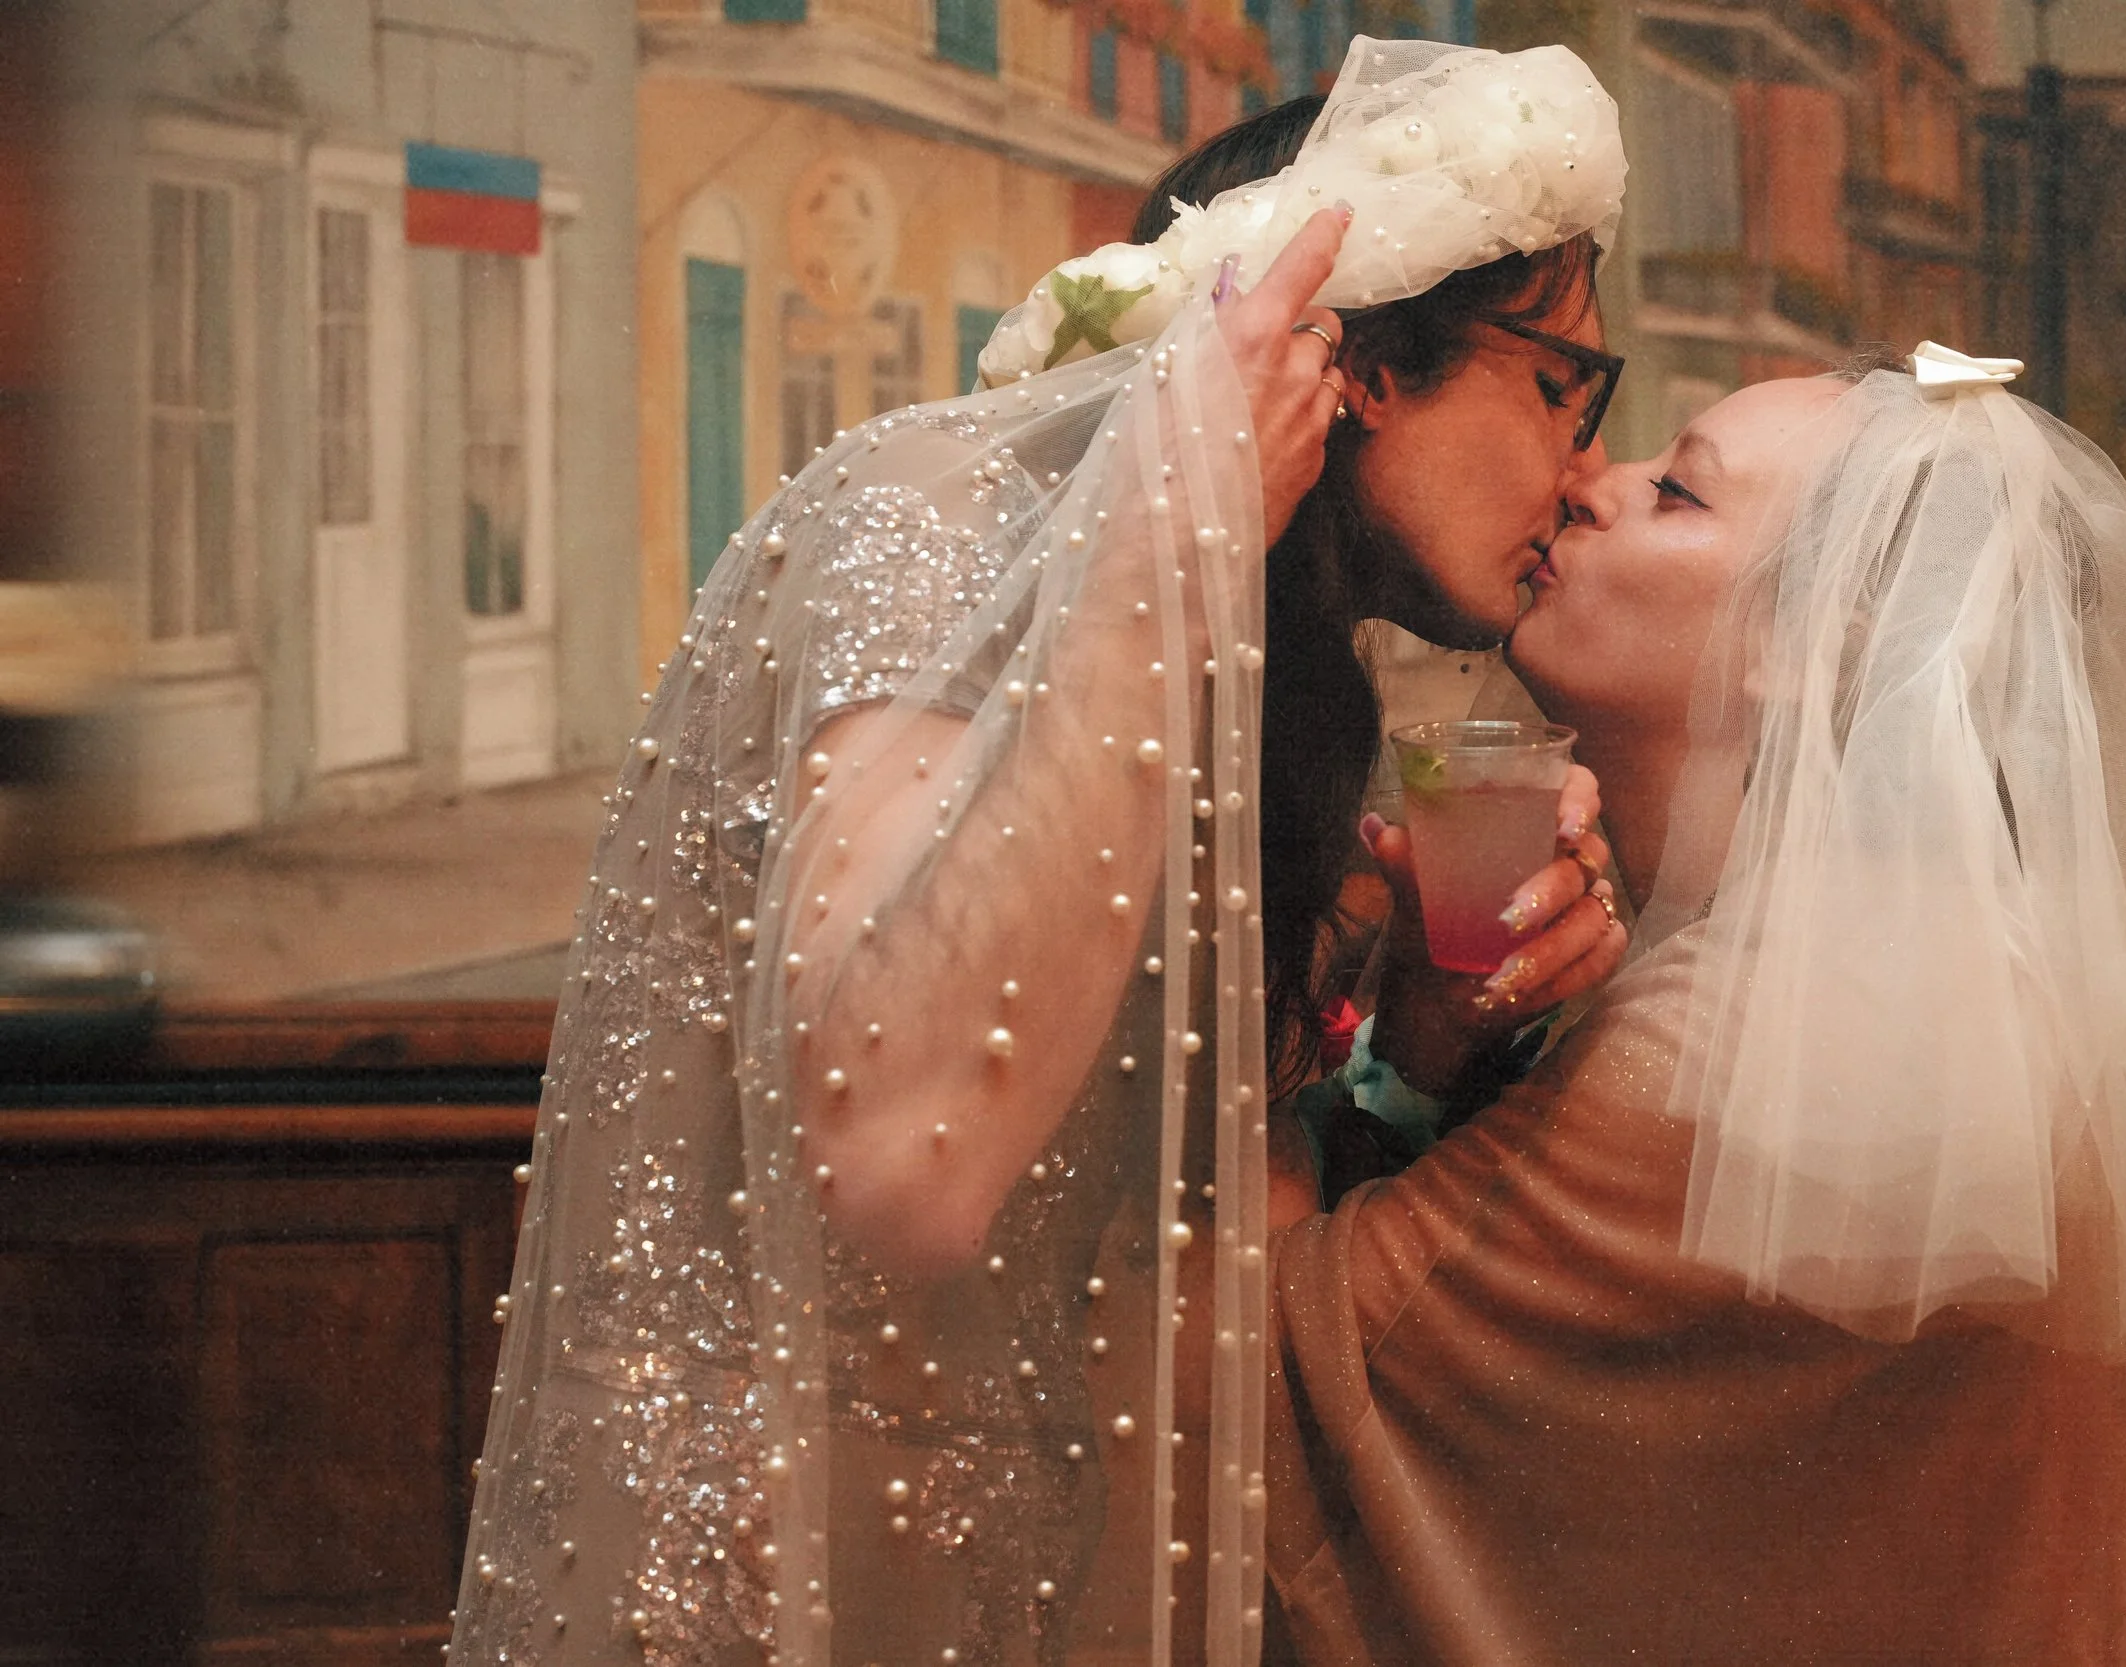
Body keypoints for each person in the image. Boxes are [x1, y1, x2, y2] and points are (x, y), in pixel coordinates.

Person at [448, 39, 1629, 1667]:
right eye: (1564, 383)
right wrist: (1170, 531)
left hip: (1047, 1578)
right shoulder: (933, 516)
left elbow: (1156, 1232)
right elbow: (909, 1162)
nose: (1581, 474)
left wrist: (1417, 1053)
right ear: (1354, 357)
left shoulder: (1287, 679)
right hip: (767, 1599)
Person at [1259, 350, 2126, 1663]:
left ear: (1806, 640)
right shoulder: (1891, 956)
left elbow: (1253, 1373)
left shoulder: (1722, 1044)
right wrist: (1430, 1037)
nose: (1589, 484)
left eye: (1678, 492)